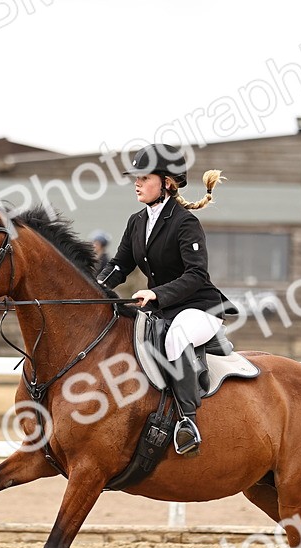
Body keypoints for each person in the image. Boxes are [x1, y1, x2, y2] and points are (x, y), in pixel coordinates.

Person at [96, 143, 232, 457]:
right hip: (163, 309)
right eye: (136, 177)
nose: (137, 183)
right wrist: (93, 288)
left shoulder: (185, 223)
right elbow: (120, 265)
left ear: (167, 182)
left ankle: (188, 422)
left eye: (143, 177)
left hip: (199, 308)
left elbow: (196, 274)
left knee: (176, 338)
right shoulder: (137, 222)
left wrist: (156, 293)